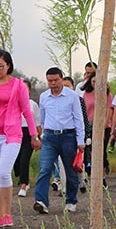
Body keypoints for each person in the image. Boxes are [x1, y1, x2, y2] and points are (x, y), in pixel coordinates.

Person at [0, 50, 39, 228]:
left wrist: (34, 134)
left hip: (12, 134)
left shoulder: (18, 85)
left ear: (9, 66)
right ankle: (1, 216)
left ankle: (8, 214)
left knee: (4, 172)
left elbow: (27, 111)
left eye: (0, 66)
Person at [32, 67, 85, 215]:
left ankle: (71, 201)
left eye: (56, 80)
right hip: (49, 137)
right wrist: (41, 135)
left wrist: (80, 141)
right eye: (50, 81)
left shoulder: (72, 96)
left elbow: (78, 119)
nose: (53, 83)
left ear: (62, 79)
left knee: (70, 170)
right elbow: (42, 118)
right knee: (44, 168)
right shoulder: (44, 97)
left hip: (68, 136)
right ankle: (41, 201)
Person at [81, 71, 113, 187]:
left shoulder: (107, 94)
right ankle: (89, 176)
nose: (95, 83)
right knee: (89, 150)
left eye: (97, 81)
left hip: (103, 125)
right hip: (89, 124)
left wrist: (103, 127)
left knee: (101, 150)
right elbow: (84, 110)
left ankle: (102, 176)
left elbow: (109, 110)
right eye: (93, 81)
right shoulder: (86, 94)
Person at [14, 97, 41, 198]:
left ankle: (24, 184)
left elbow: (37, 122)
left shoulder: (32, 104)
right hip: (15, 132)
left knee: (24, 160)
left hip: (29, 133)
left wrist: (38, 137)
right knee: (16, 160)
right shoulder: (12, 102)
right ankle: (21, 176)